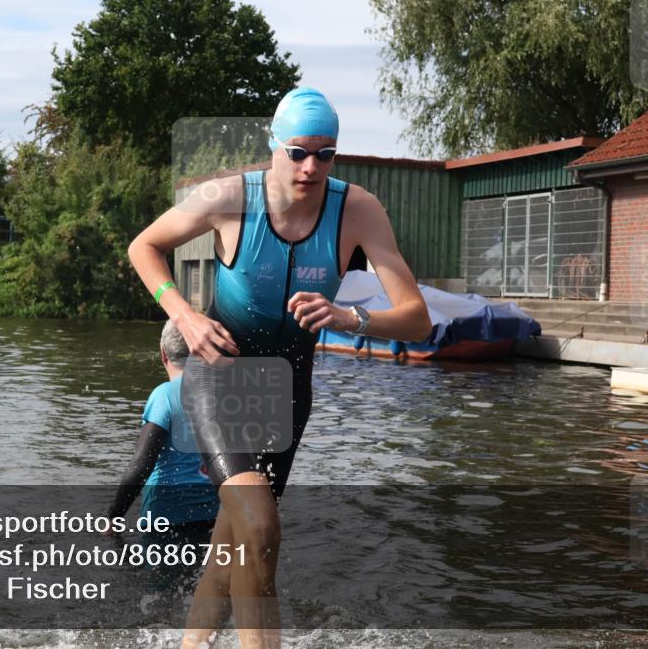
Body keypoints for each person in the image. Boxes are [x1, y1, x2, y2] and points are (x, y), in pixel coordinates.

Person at [128, 87, 431, 648]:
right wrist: (186, 316)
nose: (311, 167)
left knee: (235, 539)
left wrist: (348, 316)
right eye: (297, 152)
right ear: (273, 148)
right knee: (261, 526)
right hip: (221, 376)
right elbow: (144, 246)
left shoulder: (358, 210)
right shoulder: (228, 198)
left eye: (325, 154)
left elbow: (417, 321)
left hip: (288, 391)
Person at [106, 320, 220, 548]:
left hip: (164, 515)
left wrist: (114, 516)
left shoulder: (164, 396)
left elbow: (142, 464)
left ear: (163, 354)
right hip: (214, 515)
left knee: (159, 581)